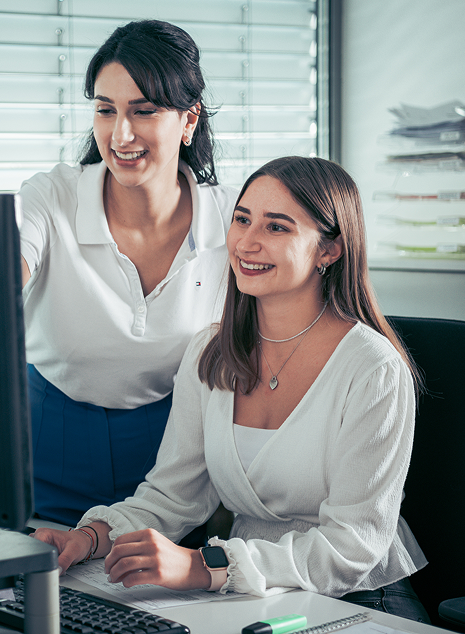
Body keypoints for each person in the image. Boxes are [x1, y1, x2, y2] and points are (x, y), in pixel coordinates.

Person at [33, 156, 431, 622]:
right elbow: (172, 496)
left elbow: (352, 545)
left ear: (329, 250)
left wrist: (204, 565)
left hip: (360, 598)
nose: (246, 242)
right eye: (242, 219)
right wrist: (88, 539)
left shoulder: (373, 367)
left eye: (276, 227)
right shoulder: (211, 352)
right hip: (245, 593)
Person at [18, 20, 239, 529]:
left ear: (188, 119)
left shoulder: (234, 217)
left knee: (151, 577)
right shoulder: (51, 197)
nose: (120, 134)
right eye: (105, 110)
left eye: (143, 110)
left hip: (175, 456)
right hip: (50, 437)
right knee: (44, 572)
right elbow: (3, 266)